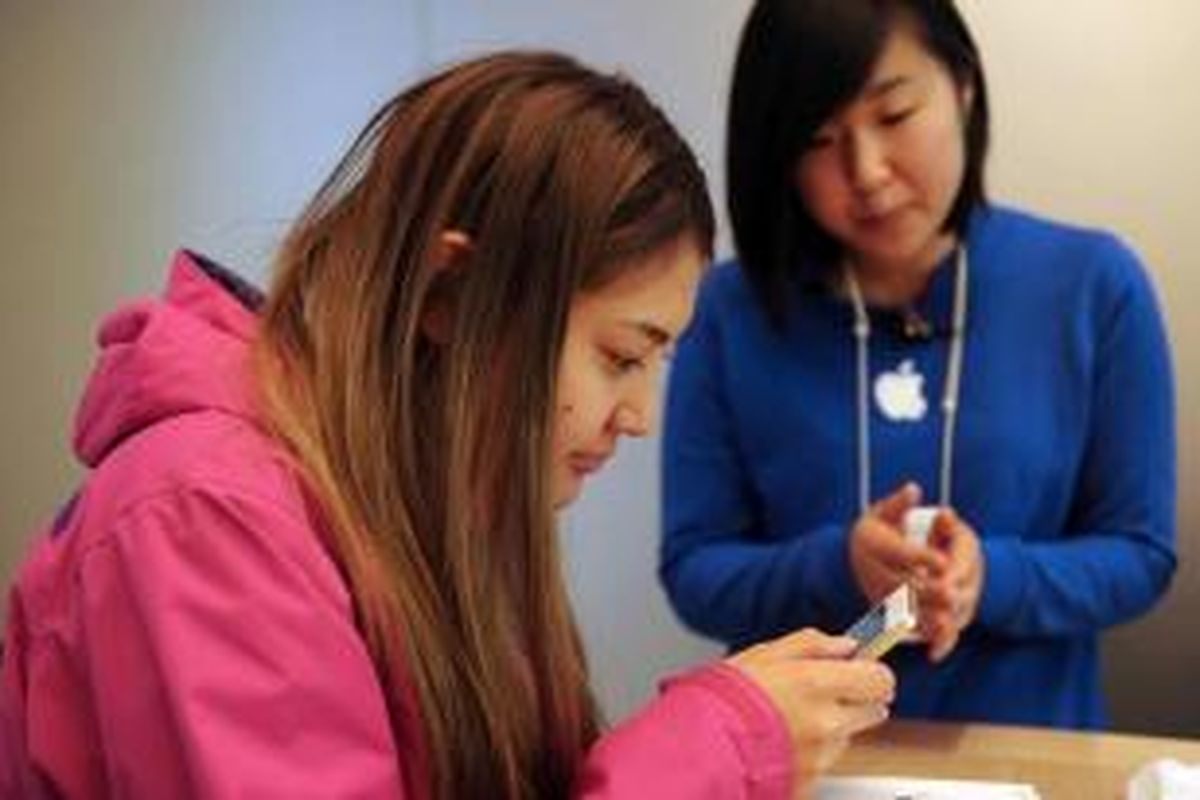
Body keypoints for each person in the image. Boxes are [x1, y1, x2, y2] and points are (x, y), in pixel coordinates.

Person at [0, 51, 895, 799]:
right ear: (453, 297)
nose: (641, 417)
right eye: (623, 355)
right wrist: (718, 745)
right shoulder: (203, 514)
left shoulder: (440, 503)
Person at [661, 0, 1176, 730]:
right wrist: (837, 566)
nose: (866, 171)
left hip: (1027, 755)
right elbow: (694, 570)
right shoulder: (728, 310)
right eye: (818, 138)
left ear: (963, 88)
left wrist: (991, 577)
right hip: (801, 755)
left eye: (895, 115)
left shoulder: (1093, 284)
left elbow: (1140, 554)